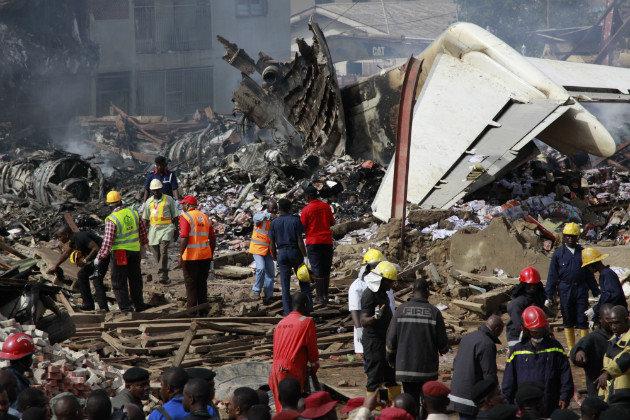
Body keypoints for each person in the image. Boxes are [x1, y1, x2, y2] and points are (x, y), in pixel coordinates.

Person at [386, 278, 448, 405]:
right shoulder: (434, 312)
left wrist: (390, 358)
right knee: (427, 403)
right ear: (427, 291)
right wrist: (443, 349)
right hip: (428, 370)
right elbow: (443, 344)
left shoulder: (400, 310)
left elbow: (391, 339)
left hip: (406, 368)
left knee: (410, 402)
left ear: (413, 291)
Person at [502, 306, 573, 416]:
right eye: (535, 332)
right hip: (525, 409)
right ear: (526, 330)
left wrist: (565, 396)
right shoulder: (518, 350)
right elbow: (508, 380)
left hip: (550, 405)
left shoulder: (555, 347)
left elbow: (565, 374)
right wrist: (508, 404)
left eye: (541, 331)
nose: (538, 334)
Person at [545, 222, 599, 351]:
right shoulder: (558, 254)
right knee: (567, 318)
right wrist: (549, 295)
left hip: (581, 289)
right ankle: (572, 349)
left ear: (577, 238)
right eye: (568, 236)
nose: (570, 239)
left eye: (573, 236)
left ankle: (583, 348)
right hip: (565, 289)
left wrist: (596, 291)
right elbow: (552, 275)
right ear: (564, 237)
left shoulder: (582, 252)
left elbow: (589, 275)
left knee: (582, 318)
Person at [97, 190, 149, 313]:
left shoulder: (112, 218)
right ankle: (139, 305)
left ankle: (126, 308)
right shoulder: (133, 213)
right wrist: (143, 247)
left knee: (119, 281)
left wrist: (100, 257)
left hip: (120, 254)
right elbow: (143, 233)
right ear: (121, 201)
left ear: (110, 205)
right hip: (135, 252)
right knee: (135, 279)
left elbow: (108, 241)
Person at [268, 292, 319, 411]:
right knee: (293, 409)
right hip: (292, 370)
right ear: (305, 305)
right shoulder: (306, 322)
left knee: (281, 409)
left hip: (275, 370)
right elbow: (312, 350)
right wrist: (314, 366)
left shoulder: (281, 323)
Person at [449, 315, 504, 420]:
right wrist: (496, 394)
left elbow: (456, 363)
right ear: (496, 328)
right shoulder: (487, 343)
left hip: (456, 393)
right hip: (470, 399)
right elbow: (489, 374)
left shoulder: (467, 338)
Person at [47, 225, 110, 311]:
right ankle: (88, 305)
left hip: (103, 256)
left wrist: (84, 261)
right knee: (81, 275)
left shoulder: (81, 237)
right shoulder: (73, 241)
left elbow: (96, 248)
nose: (59, 239)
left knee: (97, 280)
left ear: (66, 235)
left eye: (60, 236)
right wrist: (56, 266)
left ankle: (104, 308)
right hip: (95, 259)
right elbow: (66, 254)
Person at [268, 198, 311, 316]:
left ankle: (288, 313)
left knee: (285, 285)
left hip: (282, 254)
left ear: (279, 209)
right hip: (295, 253)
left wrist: (275, 257)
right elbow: (300, 241)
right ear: (289, 208)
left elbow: (271, 243)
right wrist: (305, 256)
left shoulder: (274, 223)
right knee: (304, 280)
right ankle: (308, 308)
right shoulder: (295, 220)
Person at [362, 262, 398, 399]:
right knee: (375, 377)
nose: (391, 285)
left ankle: (391, 406)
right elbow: (364, 321)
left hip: (385, 340)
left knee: (390, 376)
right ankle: (374, 408)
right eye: (390, 282)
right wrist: (375, 317)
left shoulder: (383, 292)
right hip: (374, 342)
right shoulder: (369, 294)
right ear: (381, 280)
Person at [348, 249, 395, 355]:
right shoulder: (358, 285)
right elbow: (354, 308)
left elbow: (391, 305)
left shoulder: (385, 283)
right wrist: (358, 328)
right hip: (368, 330)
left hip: (384, 329)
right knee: (370, 359)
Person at [179, 195, 216, 316]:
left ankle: (192, 312)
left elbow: (184, 238)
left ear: (188, 205)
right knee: (201, 283)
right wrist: (211, 253)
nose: (182, 206)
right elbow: (213, 238)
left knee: (191, 284)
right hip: (205, 256)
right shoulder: (205, 217)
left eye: (183, 204)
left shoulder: (185, 217)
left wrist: (180, 255)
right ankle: (203, 310)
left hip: (190, 257)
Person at [570, 304, 614, 397]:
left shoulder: (622, 336)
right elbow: (580, 347)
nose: (612, 323)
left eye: (614, 319)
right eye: (608, 319)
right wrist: (579, 352)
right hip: (598, 391)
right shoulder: (593, 338)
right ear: (600, 319)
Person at [300, 186, 334, 304]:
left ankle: (320, 297)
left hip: (313, 243)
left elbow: (302, 227)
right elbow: (332, 222)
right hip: (327, 241)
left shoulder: (306, 210)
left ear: (308, 196)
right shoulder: (326, 206)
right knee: (326, 269)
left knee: (317, 269)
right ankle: (325, 295)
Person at [142, 179, 179, 285]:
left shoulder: (169, 199)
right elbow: (145, 219)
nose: (156, 192)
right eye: (154, 190)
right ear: (152, 191)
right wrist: (144, 234)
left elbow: (175, 216)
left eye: (158, 190)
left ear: (161, 189)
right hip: (154, 230)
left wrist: (176, 230)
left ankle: (161, 274)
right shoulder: (149, 202)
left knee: (163, 251)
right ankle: (164, 275)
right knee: (155, 252)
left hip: (166, 228)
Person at [582, 248, 627, 324]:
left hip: (618, 315)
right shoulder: (604, 274)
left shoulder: (606, 274)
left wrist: (595, 309)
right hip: (614, 313)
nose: (588, 269)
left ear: (594, 264)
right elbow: (606, 297)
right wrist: (595, 316)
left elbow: (613, 295)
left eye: (588, 267)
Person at [506, 266, 546, 351]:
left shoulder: (538, 299)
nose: (532, 288)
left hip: (535, 334)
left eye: (534, 285)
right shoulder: (517, 303)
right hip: (517, 336)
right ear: (524, 285)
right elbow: (517, 324)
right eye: (530, 285)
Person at [595, 305, 630, 401]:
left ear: (626, 320)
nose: (613, 327)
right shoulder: (612, 341)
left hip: (625, 396)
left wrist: (608, 373)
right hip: (611, 396)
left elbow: (626, 358)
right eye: (610, 324)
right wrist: (602, 397)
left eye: (616, 323)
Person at [250, 200, 278, 304]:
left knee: (270, 274)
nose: (274, 210)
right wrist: (269, 215)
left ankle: (268, 295)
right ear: (267, 208)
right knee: (261, 268)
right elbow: (256, 218)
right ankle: (256, 290)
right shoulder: (261, 215)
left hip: (268, 249)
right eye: (272, 208)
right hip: (257, 248)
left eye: (276, 208)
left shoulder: (276, 218)